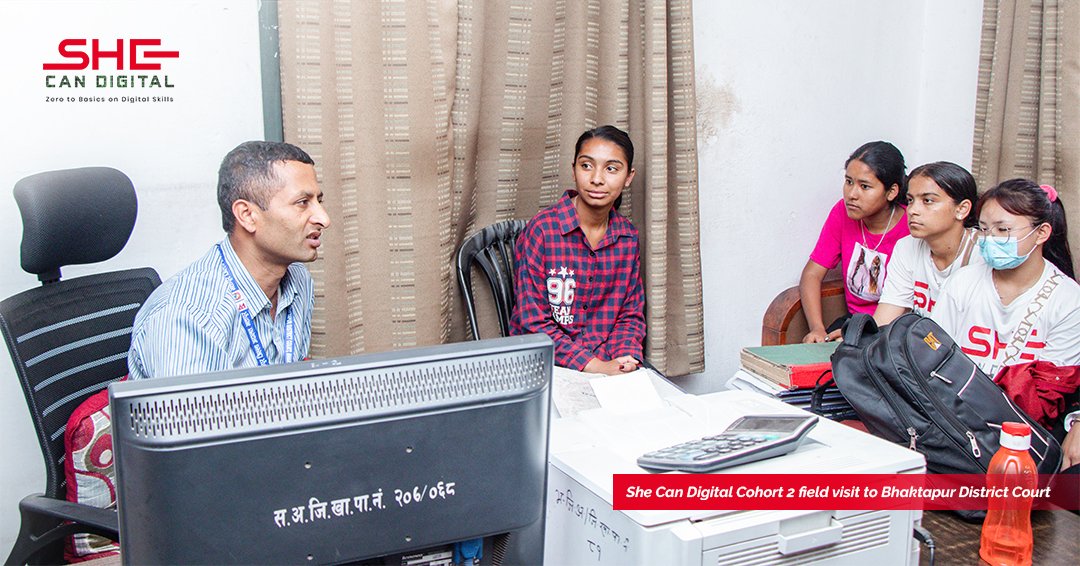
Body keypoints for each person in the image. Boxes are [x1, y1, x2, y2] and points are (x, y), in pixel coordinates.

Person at [127, 141, 330, 379]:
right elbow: (193, 417)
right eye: (302, 202)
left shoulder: (299, 281)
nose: (323, 219)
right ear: (247, 215)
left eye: (319, 201)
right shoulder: (187, 317)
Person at [932, 179, 1080, 471]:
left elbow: (1047, 396)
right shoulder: (963, 282)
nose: (989, 239)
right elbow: (935, 357)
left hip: (1026, 433)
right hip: (951, 420)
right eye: (984, 229)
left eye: (1003, 230)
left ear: (1042, 233)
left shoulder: (1067, 299)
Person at [510, 125, 645, 375]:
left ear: (628, 177)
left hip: (608, 363)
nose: (597, 178)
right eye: (586, 166)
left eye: (611, 169)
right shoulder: (542, 231)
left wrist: (624, 358)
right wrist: (596, 367)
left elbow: (630, 314)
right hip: (545, 365)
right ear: (573, 170)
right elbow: (532, 323)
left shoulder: (627, 238)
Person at [800, 141, 909, 342]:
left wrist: (861, 336)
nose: (852, 194)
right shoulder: (842, 212)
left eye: (864, 186)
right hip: (852, 323)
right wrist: (817, 328)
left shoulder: (912, 226)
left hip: (893, 331)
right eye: (849, 182)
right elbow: (812, 274)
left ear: (892, 191)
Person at [874, 162, 982, 326]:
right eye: (910, 200)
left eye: (928, 200)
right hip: (921, 345)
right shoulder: (906, 247)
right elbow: (885, 318)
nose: (912, 210)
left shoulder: (983, 253)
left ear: (962, 209)